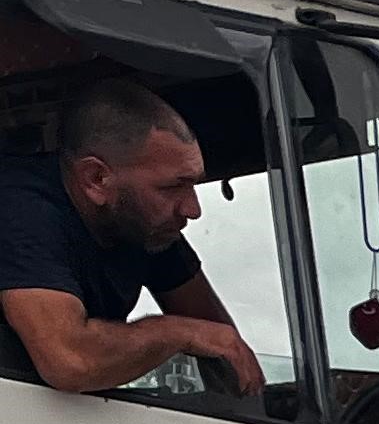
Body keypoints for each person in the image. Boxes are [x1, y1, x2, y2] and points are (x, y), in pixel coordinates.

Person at [0, 80, 263, 395]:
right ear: (96, 179)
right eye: (172, 187)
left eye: (194, 185)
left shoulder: (142, 222)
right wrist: (179, 333)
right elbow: (71, 362)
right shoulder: (20, 209)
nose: (193, 210)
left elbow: (226, 347)